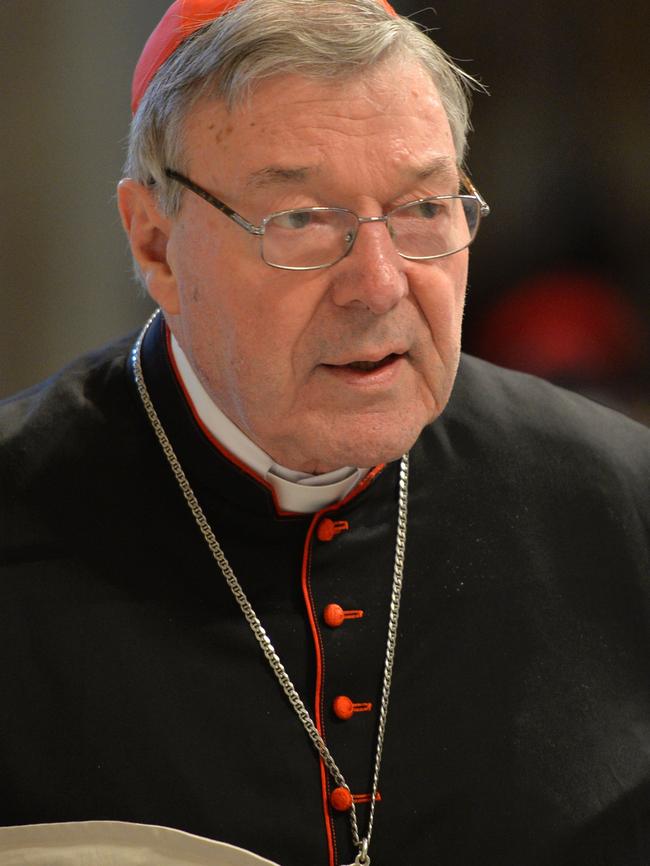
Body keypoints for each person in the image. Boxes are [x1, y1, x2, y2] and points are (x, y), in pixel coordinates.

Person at [1, 1, 649, 864]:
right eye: (300, 221)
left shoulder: (622, 503)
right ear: (156, 243)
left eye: (423, 208)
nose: (378, 285)